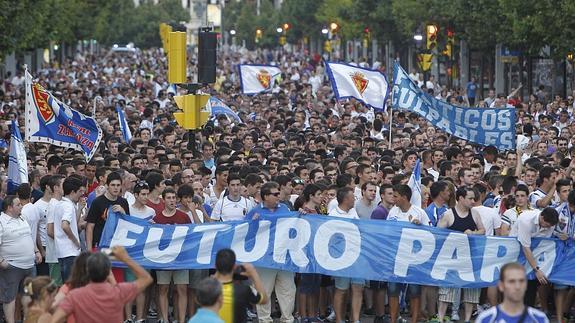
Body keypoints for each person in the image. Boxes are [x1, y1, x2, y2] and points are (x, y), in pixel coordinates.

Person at [50, 246, 153, 323]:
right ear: (108, 271)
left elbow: (54, 320)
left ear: (88, 270)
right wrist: (125, 258)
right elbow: (146, 278)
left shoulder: (74, 295)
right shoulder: (119, 292)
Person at [247, 182, 295, 323]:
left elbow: (295, 226)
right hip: (264, 260)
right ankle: (264, 320)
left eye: (278, 193)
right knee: (264, 292)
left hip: (283, 258)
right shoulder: (254, 212)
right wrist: (252, 223)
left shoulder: (285, 208)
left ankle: (287, 319)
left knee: (288, 291)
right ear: (265, 197)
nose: (278, 196)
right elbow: (245, 235)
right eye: (275, 194)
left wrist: (302, 215)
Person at [437, 187, 486, 323]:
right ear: (460, 198)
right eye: (470, 198)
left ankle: (467, 319)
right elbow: (437, 234)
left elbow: (483, 230)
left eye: (474, 198)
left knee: (471, 292)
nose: (473, 201)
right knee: (446, 291)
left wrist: (473, 233)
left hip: (470, 258)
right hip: (451, 258)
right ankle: (440, 319)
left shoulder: (475, 213)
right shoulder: (448, 215)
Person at [386, 184, 429, 323]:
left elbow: (430, 234)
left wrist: (419, 227)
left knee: (415, 291)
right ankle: (393, 320)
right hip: (396, 256)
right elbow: (387, 231)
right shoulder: (393, 212)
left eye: (396, 196)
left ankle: (414, 320)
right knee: (393, 290)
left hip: (414, 258)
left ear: (404, 197)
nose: (393, 199)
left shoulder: (419, 212)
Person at [1, 195, 42, 323]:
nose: (21, 206)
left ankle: (27, 320)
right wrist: (2, 261)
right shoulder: (1, 222)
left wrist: (36, 251)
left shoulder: (22, 218)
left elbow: (29, 236)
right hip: (12, 268)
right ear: (9, 208)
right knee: (10, 298)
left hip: (29, 267)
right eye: (18, 205)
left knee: (27, 296)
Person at [153, 188, 191, 323]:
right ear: (163, 200)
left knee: (182, 289)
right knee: (163, 289)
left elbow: (191, 237)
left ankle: (181, 320)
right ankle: (164, 319)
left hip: (180, 259)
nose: (172, 200)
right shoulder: (156, 218)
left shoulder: (184, 217)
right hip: (162, 260)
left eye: (174, 198)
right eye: (168, 198)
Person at [509, 207, 558, 308]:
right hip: (517, 253)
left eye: (551, 226)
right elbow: (526, 248)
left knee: (531, 286)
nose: (549, 228)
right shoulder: (525, 220)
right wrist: (536, 269)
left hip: (535, 255)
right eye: (547, 225)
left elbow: (544, 244)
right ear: (542, 218)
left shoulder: (550, 223)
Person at [328, 187, 363, 323]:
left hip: (357, 256)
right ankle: (339, 319)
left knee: (357, 288)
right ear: (345, 199)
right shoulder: (333, 215)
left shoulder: (353, 211)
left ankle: (356, 320)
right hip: (341, 258)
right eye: (352, 197)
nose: (355, 199)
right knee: (341, 289)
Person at [475, 263, 549, 323]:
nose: (517, 286)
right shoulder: (485, 319)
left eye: (521, 281)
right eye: (511, 281)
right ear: (501, 285)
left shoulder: (539, 318)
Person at [213, 249, 267, 323]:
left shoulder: (206, 288)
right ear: (234, 267)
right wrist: (254, 274)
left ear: (215, 266)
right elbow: (264, 300)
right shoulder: (244, 290)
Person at [86, 172, 130, 250]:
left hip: (117, 245)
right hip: (100, 244)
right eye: (113, 185)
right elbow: (90, 226)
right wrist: (89, 249)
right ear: (107, 186)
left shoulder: (123, 202)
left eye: (118, 185)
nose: (116, 188)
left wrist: (123, 212)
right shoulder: (97, 202)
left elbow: (128, 225)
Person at [54, 176, 86, 282]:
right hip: (70, 252)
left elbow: (72, 223)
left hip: (62, 251)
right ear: (73, 191)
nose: (81, 194)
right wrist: (76, 241)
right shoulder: (68, 206)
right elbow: (65, 225)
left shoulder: (60, 204)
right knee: (72, 286)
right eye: (79, 191)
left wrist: (79, 209)